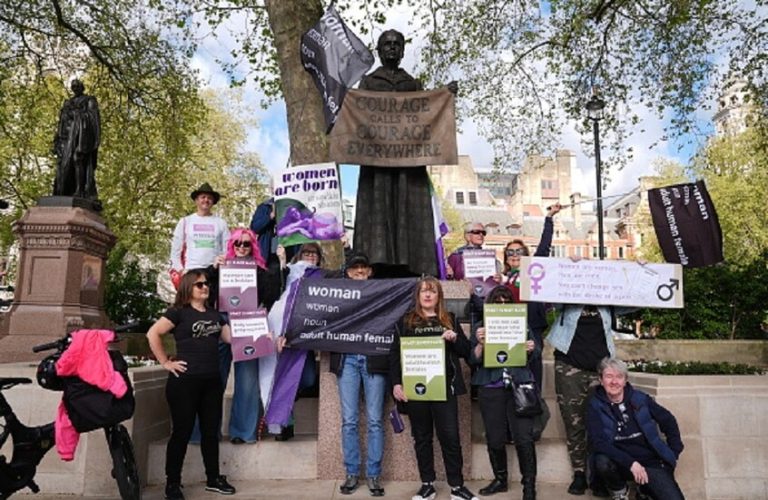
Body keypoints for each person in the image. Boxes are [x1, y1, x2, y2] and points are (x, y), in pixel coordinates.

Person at [353, 29, 457, 277]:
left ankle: (411, 264)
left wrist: (445, 95)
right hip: (376, 163)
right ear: (379, 50)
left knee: (407, 207)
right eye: (387, 44)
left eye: (396, 44)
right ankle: (375, 262)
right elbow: (356, 117)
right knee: (378, 208)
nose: (392, 47)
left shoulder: (413, 84)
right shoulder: (368, 82)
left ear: (402, 51)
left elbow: (427, 112)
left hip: (408, 163)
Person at [146, 270, 236, 500]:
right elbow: (153, 333)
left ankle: (213, 478)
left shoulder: (216, 315)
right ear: (188, 287)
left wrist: (262, 333)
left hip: (212, 382)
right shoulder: (178, 312)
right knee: (182, 432)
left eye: (206, 284)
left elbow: (231, 338)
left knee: (210, 432)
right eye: (199, 284)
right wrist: (165, 362)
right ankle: (173, 483)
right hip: (184, 383)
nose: (205, 287)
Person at [389, 276, 478, 500]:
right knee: (422, 437)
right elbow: (394, 356)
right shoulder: (405, 322)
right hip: (416, 390)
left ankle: (457, 487)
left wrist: (455, 339)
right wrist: (396, 383)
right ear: (418, 296)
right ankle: (427, 485)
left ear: (439, 296)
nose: (428, 295)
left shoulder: (449, 319)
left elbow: (467, 352)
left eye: (432, 291)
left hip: (444, 389)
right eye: (423, 291)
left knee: (450, 437)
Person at [547, 298, 636, 497]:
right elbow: (548, 298)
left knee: (601, 424)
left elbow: (634, 302)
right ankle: (579, 473)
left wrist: (641, 277)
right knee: (574, 421)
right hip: (569, 367)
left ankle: (597, 476)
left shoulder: (608, 302)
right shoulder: (566, 299)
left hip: (600, 369)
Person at [470, 286, 540, 499]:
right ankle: (500, 480)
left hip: (519, 387)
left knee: (524, 438)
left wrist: (531, 348)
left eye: (506, 302)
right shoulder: (480, 327)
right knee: (495, 438)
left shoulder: (522, 325)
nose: (502, 305)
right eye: (497, 302)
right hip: (491, 388)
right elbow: (472, 359)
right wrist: (480, 344)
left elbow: (536, 353)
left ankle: (529, 485)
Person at [587, 358, 685, 500]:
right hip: (618, 462)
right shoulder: (595, 405)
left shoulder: (640, 399)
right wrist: (631, 463)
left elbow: (668, 420)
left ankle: (644, 490)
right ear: (601, 380)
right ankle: (619, 492)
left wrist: (674, 450)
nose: (614, 382)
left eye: (619, 377)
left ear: (625, 380)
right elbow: (598, 442)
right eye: (609, 376)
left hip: (649, 461)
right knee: (602, 461)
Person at [208, 228, 270, 444]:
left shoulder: (261, 271)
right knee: (214, 378)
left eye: (246, 244)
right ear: (231, 245)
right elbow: (203, 290)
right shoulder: (219, 266)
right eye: (238, 243)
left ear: (253, 247)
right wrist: (213, 269)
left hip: (249, 322)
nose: (242, 247)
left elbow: (269, 297)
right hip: (221, 321)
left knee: (248, 380)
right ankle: (206, 431)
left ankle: (243, 432)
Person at [331, 252, 386, 497]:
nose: (360, 271)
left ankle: (374, 474)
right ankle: (352, 472)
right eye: (355, 268)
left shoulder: (382, 293)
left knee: (375, 420)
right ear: (347, 272)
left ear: (371, 271)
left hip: (374, 359)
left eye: (364, 267)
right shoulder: (337, 292)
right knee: (349, 420)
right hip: (347, 360)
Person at [501, 203, 562, 389]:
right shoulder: (501, 279)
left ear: (526, 255)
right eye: (510, 252)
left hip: (532, 326)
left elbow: (544, 248)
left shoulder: (532, 271)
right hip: (510, 327)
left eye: (519, 252)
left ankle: (534, 401)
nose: (514, 255)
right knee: (512, 367)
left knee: (534, 366)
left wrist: (549, 218)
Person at [170, 183, 230, 290]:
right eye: (203, 197)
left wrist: (222, 263)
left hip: (214, 271)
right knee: (191, 301)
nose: (206, 200)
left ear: (213, 202)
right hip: (191, 271)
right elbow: (175, 250)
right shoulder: (185, 221)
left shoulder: (221, 223)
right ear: (196, 200)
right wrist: (181, 270)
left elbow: (228, 249)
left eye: (209, 198)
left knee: (212, 300)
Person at [446, 221, 501, 331]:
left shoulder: (490, 258)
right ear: (467, 236)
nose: (481, 235)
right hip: (463, 303)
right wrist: (450, 276)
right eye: (476, 232)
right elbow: (448, 283)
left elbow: (497, 280)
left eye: (483, 233)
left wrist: (498, 278)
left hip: (484, 302)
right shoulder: (456, 256)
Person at [52, 79, 100, 200]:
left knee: (78, 160)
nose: (75, 88)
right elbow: (61, 123)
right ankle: (63, 191)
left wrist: (77, 115)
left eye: (77, 86)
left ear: (82, 87)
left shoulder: (89, 100)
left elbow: (93, 119)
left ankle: (80, 190)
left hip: (81, 137)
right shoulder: (68, 103)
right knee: (63, 166)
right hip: (66, 139)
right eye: (73, 87)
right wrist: (57, 140)